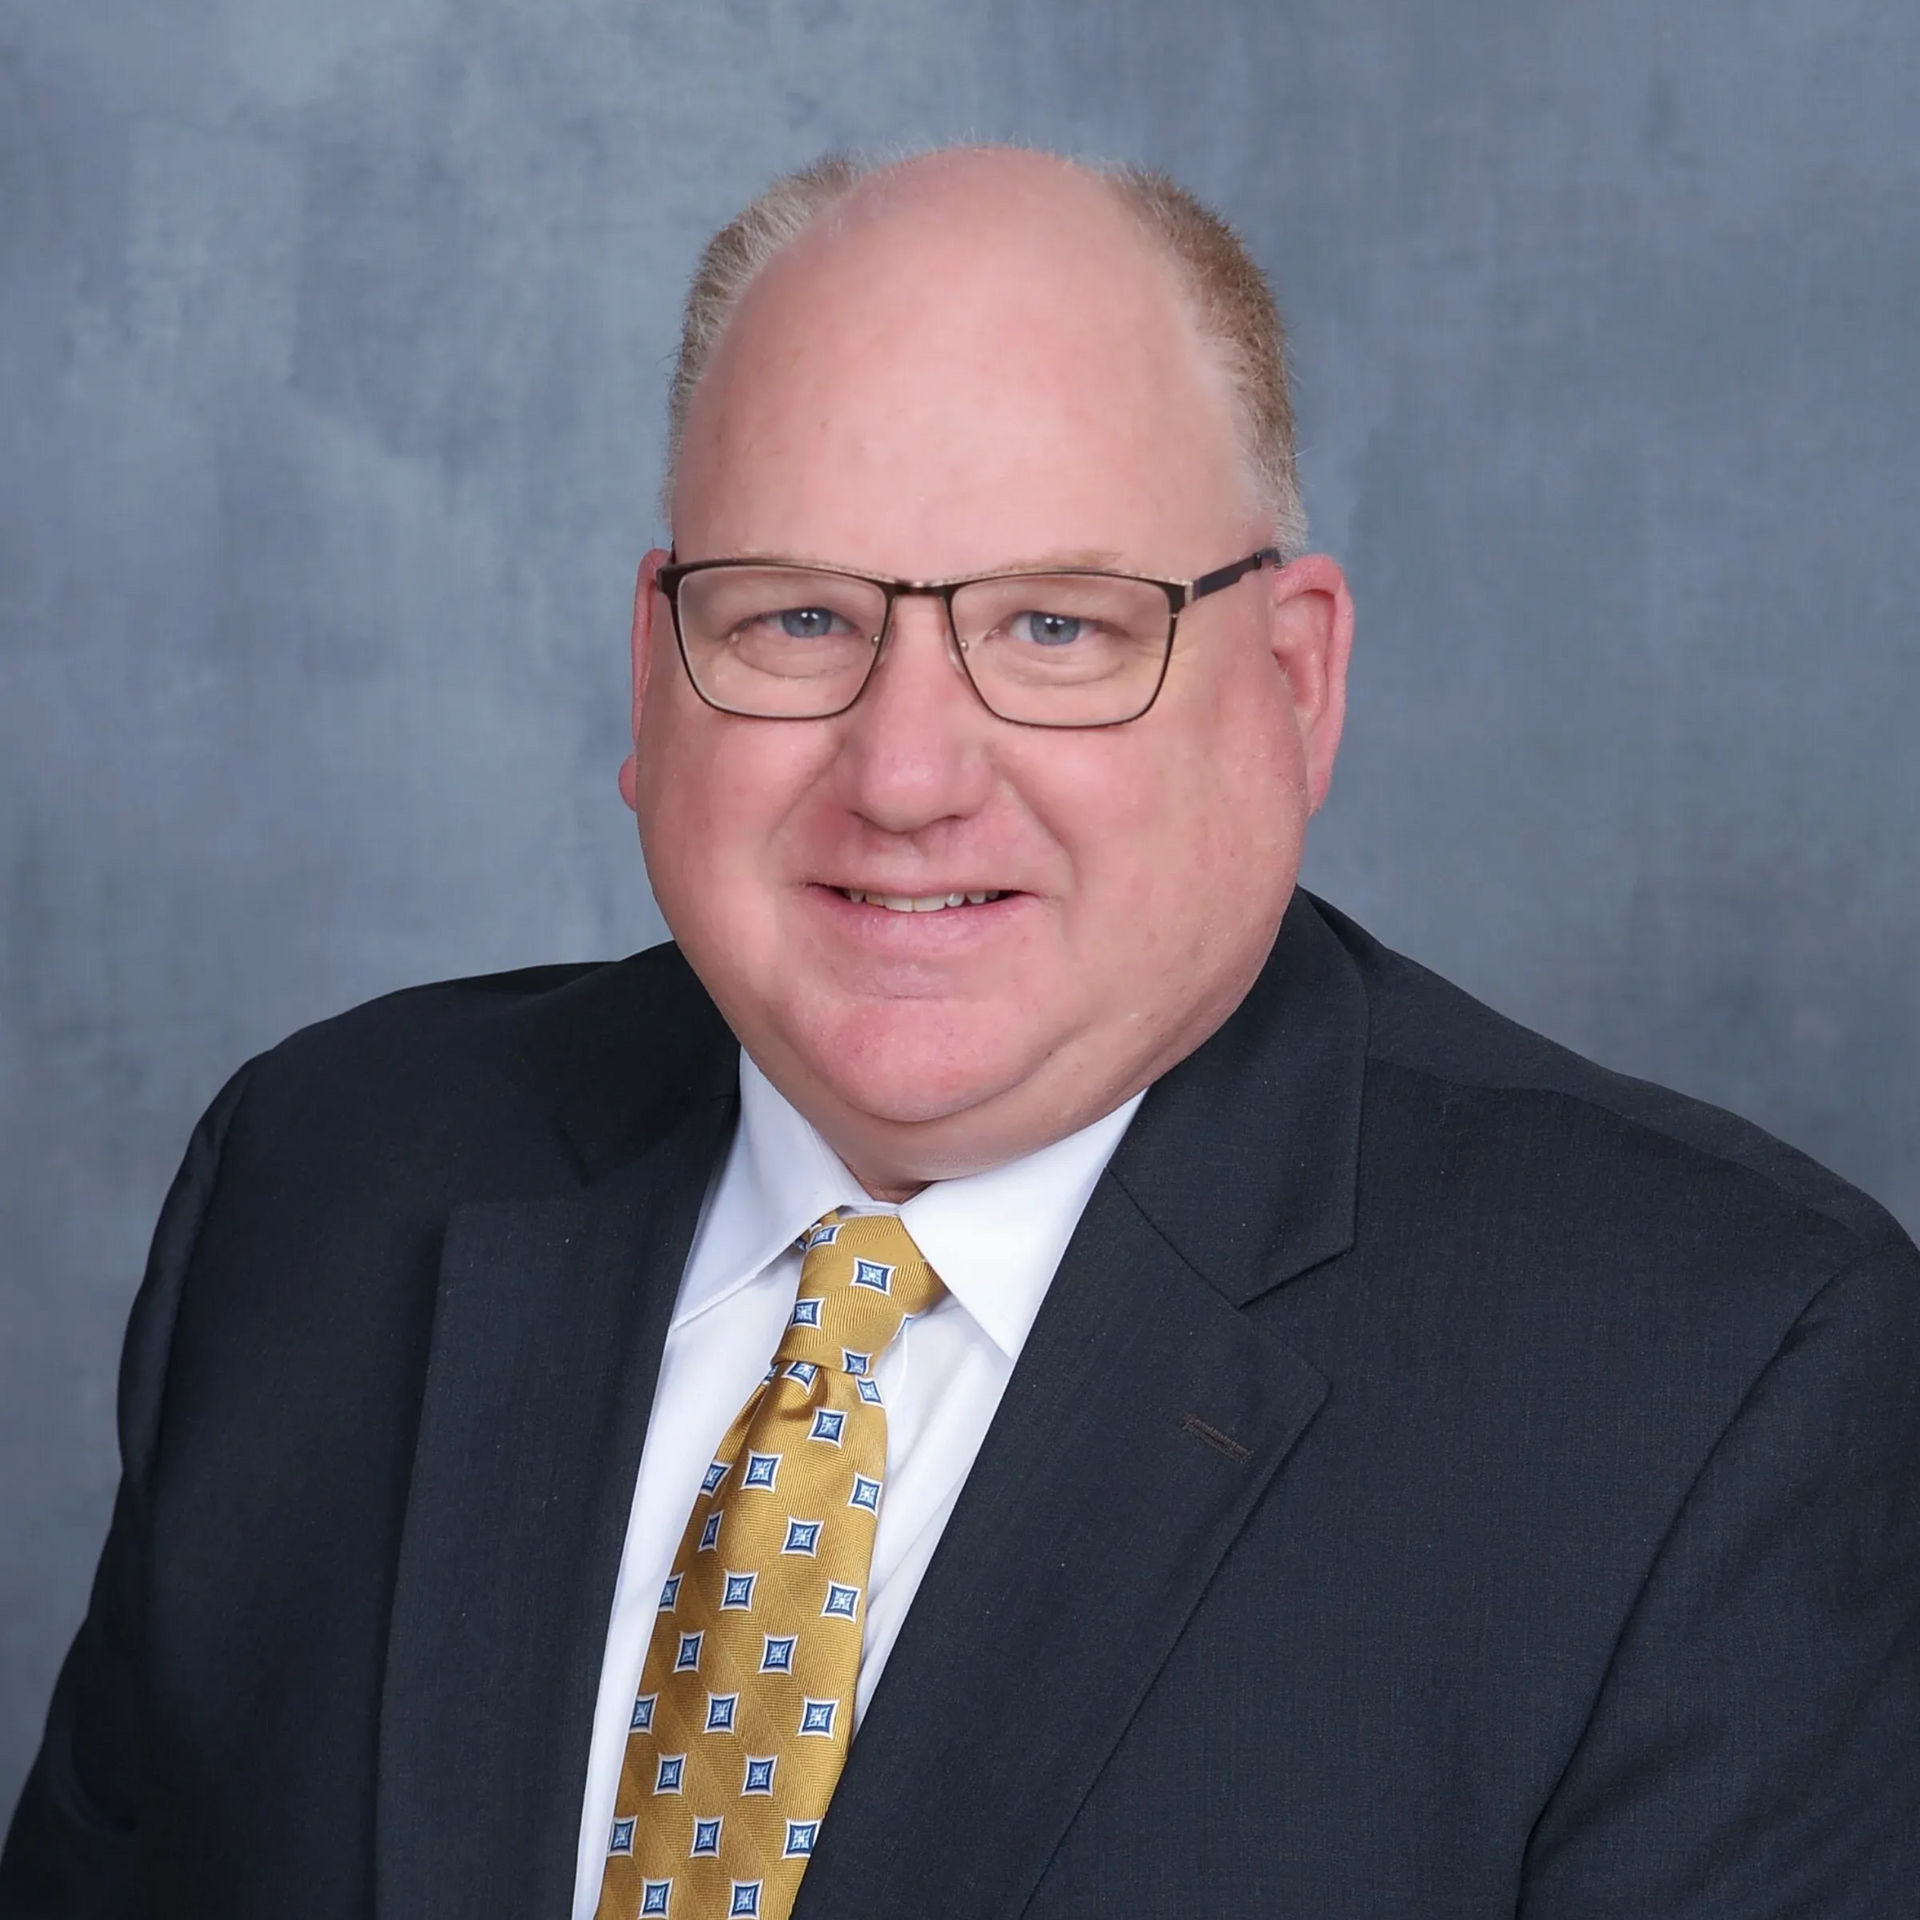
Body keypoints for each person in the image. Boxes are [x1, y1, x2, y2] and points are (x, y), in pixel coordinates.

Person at [4, 144, 1916, 1920]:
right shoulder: (325, 1181)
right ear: (656, 669)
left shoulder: (1713, 1381)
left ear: (1293, 685)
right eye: (798, 621)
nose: (905, 774)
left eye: (1058, 629)